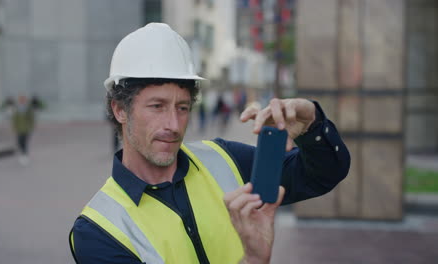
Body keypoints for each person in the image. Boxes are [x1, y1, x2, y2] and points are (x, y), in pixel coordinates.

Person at [69, 23, 350, 264]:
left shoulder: (225, 159)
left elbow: (322, 174)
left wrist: (312, 124)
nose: (174, 125)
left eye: (182, 107)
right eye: (157, 106)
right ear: (120, 110)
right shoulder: (97, 231)